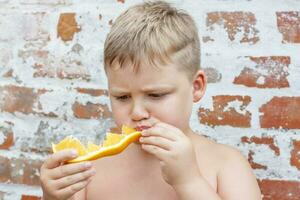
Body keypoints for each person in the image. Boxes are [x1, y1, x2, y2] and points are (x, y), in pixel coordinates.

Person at [40, 1, 262, 199]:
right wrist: (53, 196)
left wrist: (189, 182)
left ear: (196, 86)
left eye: (155, 95)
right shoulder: (90, 168)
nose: (137, 112)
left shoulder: (226, 165)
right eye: (122, 97)